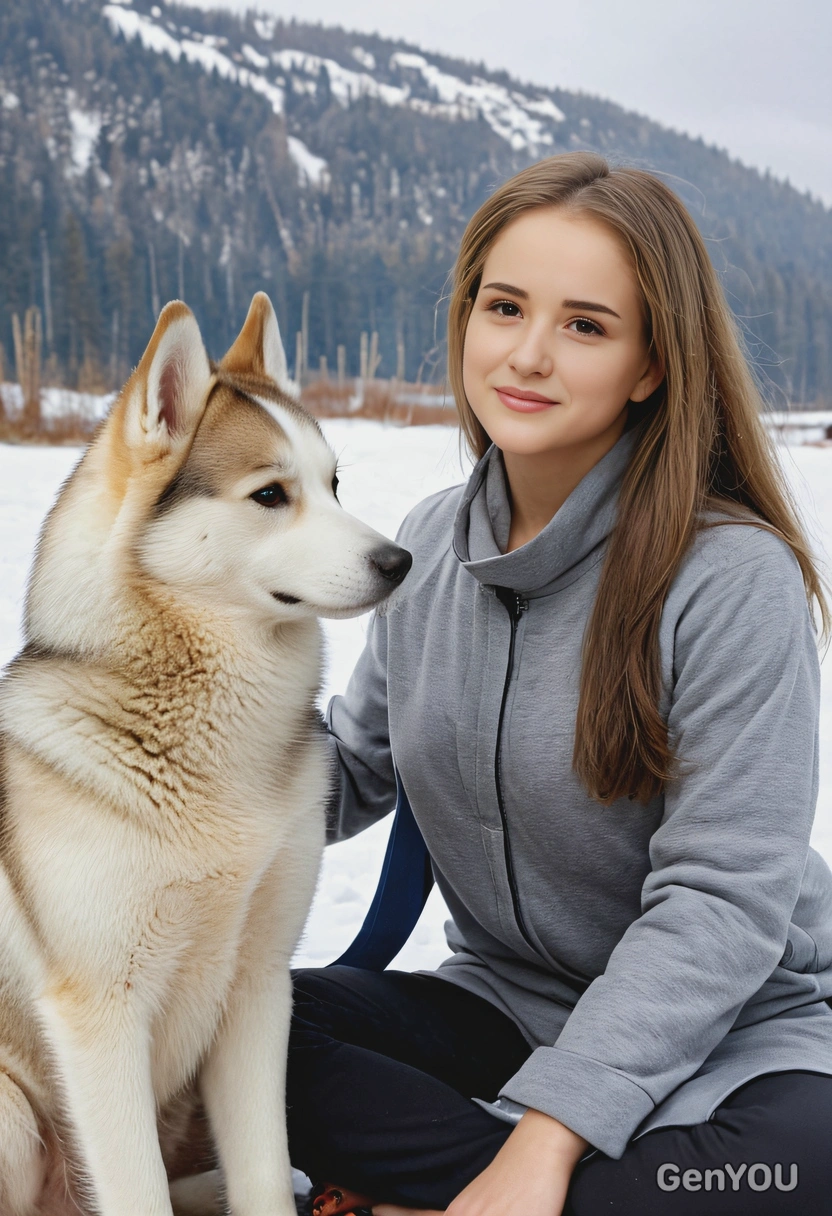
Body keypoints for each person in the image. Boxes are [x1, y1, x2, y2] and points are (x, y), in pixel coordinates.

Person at [286, 152, 832, 1215]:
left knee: (790, 1172)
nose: (528, 354)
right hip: (505, 1009)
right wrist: (150, 748)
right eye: (504, 308)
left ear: (650, 364)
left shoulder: (730, 578)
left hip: (740, 1036)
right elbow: (347, 769)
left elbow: (721, 904)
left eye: (585, 325)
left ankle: (475, 1184)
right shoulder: (427, 546)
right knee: (227, 1035)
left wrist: (545, 1139)